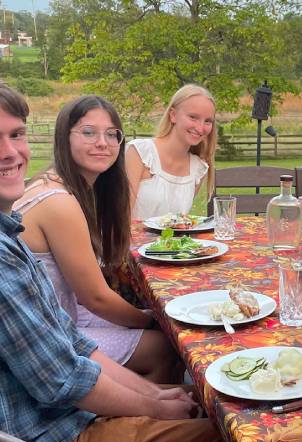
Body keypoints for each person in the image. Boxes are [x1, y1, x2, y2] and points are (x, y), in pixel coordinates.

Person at [0, 76, 232, 442]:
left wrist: (155, 398)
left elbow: (70, 340)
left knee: (183, 405)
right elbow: (63, 379)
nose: (11, 152)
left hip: (41, 424)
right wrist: (153, 407)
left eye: (16, 135)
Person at [13, 96, 180, 383]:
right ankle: (142, 420)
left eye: (111, 134)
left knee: (157, 325)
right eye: (88, 132)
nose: (102, 142)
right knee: (165, 346)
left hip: (63, 313)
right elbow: (96, 298)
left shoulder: (61, 184)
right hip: (48, 334)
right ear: (64, 138)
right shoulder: (57, 201)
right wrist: (152, 320)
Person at [126, 84, 217, 220]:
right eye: (193, 117)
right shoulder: (140, 153)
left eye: (208, 121)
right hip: (134, 241)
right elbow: (122, 219)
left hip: (171, 241)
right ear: (173, 115)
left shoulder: (198, 168)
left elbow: (178, 223)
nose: (200, 128)